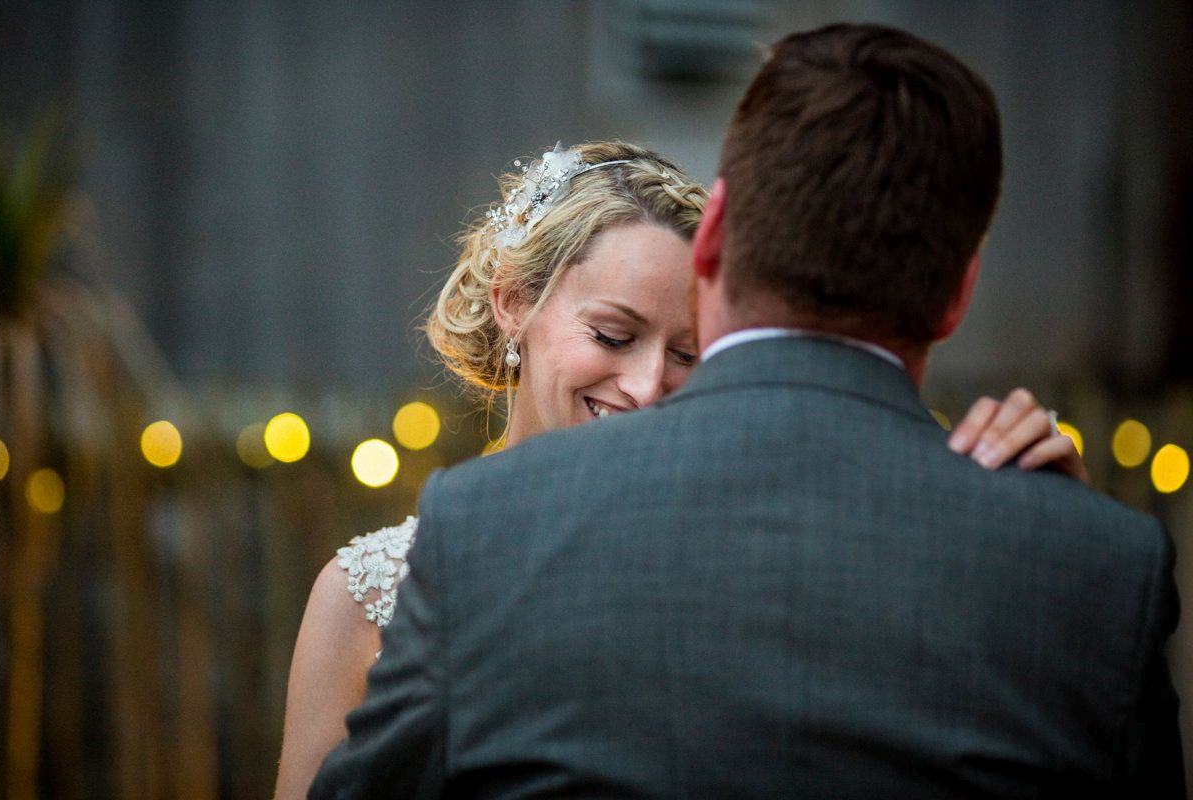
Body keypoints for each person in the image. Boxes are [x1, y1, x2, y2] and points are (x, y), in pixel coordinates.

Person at [283, 114, 1093, 797]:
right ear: (512, 302)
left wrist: (1038, 533)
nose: (647, 387)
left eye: (686, 354)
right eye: (613, 335)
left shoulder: (751, 568)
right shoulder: (367, 597)